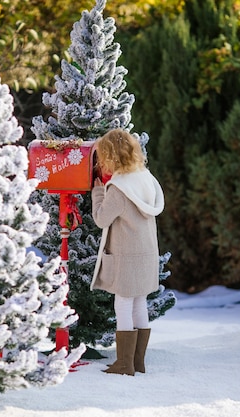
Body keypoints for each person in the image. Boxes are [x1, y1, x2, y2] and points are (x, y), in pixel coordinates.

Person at [90, 128, 165, 376]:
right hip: (146, 254)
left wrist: (98, 191)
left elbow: (102, 219)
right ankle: (137, 361)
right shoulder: (145, 177)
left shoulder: (119, 189)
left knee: (122, 304)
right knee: (139, 302)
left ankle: (124, 364)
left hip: (127, 256)